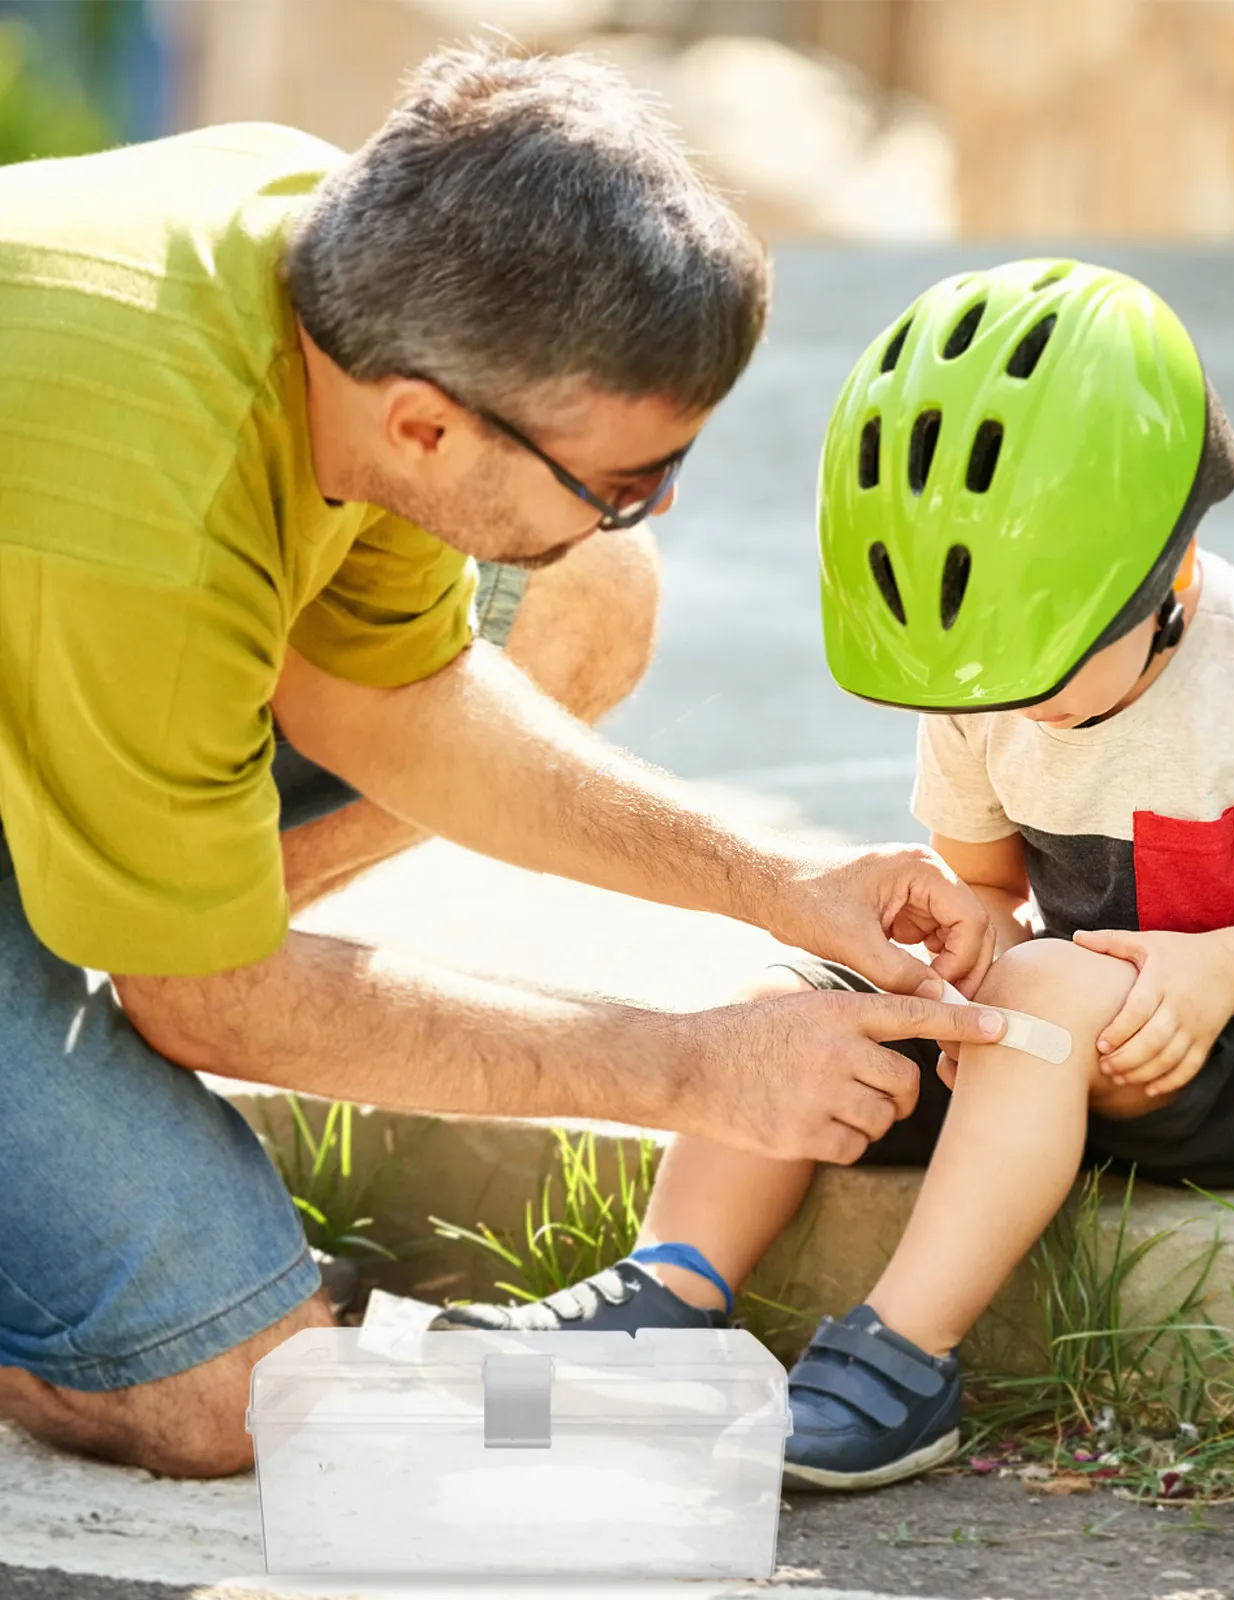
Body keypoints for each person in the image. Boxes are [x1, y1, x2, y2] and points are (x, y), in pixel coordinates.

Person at [0, 44, 1009, 1480]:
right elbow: (203, 1011)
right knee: (237, 1394)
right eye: (620, 481)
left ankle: (155, 896)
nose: (642, 507)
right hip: (85, 588)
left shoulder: (342, 277)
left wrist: (778, 889)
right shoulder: (152, 522)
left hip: (58, 644)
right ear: (425, 420)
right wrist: (688, 1070)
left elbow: (395, 698)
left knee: (584, 597)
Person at [437, 258, 1234, 1494]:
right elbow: (996, 895)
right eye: (977, 685)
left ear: (1164, 575)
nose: (1002, 707)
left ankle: (902, 1359)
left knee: (1039, 992)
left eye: (1037, 674)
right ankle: (672, 1289)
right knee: (804, 999)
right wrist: (957, 929)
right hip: (1061, 1026)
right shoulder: (981, 674)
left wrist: (1221, 969)